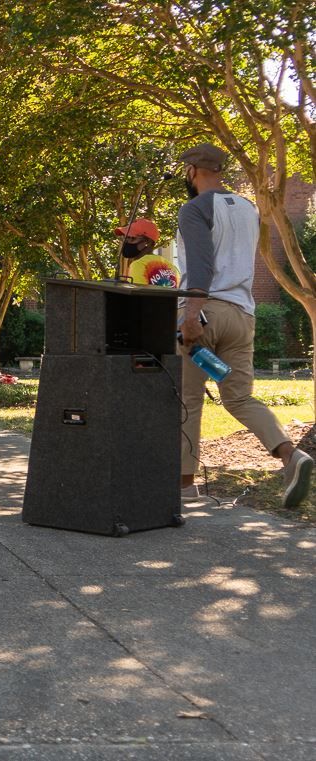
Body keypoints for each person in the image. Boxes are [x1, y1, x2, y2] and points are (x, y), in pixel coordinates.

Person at [175, 143, 312, 507]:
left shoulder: (194, 208)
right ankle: (290, 455)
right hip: (242, 314)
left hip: (205, 313)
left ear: (192, 171)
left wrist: (192, 314)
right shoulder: (248, 208)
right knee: (239, 397)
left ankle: (184, 485)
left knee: (188, 399)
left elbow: (201, 265)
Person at [114, 218, 181, 287]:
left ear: (148, 242)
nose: (126, 242)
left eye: (132, 238)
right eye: (124, 238)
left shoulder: (139, 265)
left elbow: (137, 293)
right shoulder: (172, 267)